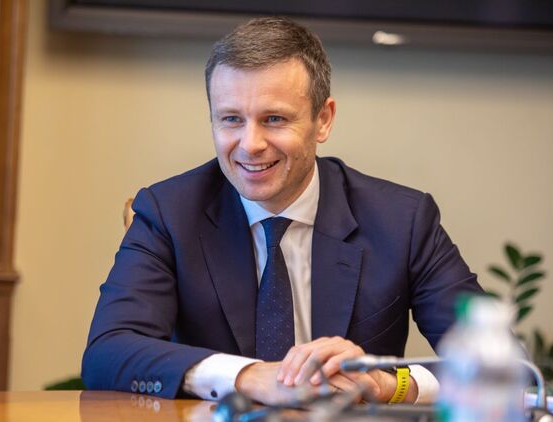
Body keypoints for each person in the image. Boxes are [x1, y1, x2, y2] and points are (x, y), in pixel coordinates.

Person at [82, 16, 482, 406]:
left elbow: (498, 365)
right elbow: (108, 351)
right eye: (231, 119)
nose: (250, 144)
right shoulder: (169, 213)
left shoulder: (401, 220)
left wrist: (387, 385)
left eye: (274, 119)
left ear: (323, 120)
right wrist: (249, 377)